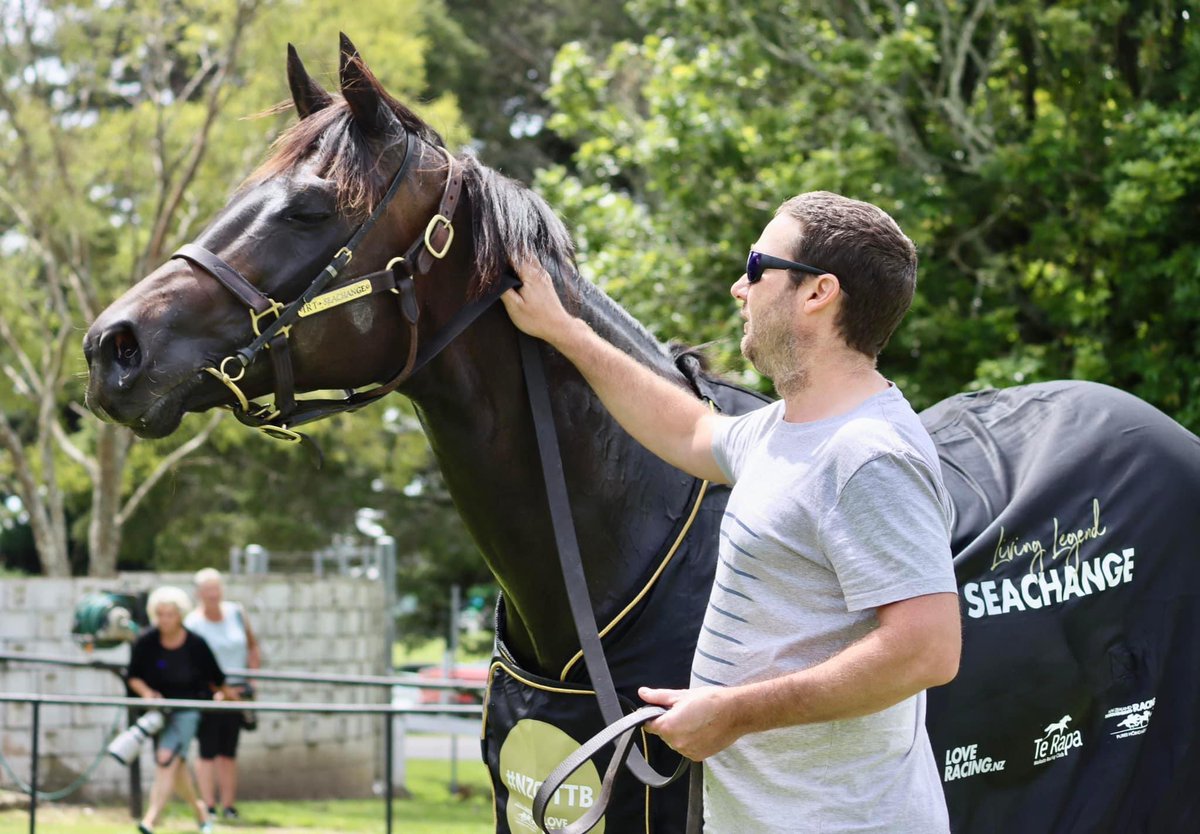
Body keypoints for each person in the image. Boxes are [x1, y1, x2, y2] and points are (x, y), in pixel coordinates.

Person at [500, 191, 962, 831]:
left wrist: (733, 712)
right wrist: (564, 330)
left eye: (756, 265)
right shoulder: (786, 430)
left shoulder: (867, 455)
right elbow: (689, 431)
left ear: (817, 293)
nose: (738, 288)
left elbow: (928, 651)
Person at [127, 586, 234, 834]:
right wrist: (146, 693)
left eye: (170, 614)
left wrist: (231, 699)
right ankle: (201, 815)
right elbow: (133, 676)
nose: (165, 620)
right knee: (177, 768)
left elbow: (217, 678)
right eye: (160, 614)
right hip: (158, 711)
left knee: (166, 758)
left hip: (188, 709)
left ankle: (150, 820)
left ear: (180, 615)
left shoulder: (195, 644)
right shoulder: (147, 642)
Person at [184, 568, 261, 822]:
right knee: (207, 751)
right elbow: (193, 662)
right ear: (199, 593)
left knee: (229, 751)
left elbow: (252, 646)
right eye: (207, 591)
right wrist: (219, 690)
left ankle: (229, 806)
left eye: (216, 589)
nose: (213, 595)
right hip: (209, 695)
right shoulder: (193, 623)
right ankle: (208, 805)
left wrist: (251, 682)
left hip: (237, 694)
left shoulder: (236, 613)